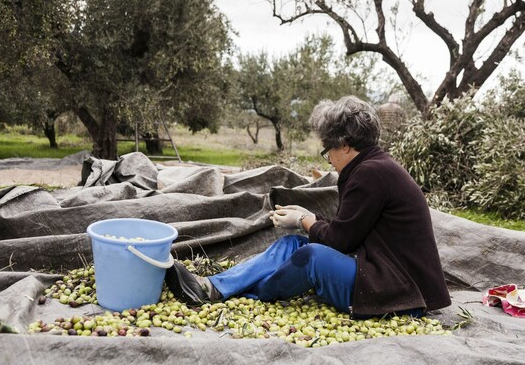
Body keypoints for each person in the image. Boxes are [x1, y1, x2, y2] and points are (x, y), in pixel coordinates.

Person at [165, 95, 451, 318]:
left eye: (328, 152)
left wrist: (305, 220)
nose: (329, 161)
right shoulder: (375, 166)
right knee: (293, 244)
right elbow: (349, 227)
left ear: (346, 145)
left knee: (311, 256)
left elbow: (340, 241)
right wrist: (309, 218)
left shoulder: (370, 174)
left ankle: (241, 291)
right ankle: (214, 286)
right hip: (381, 271)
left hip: (400, 291)